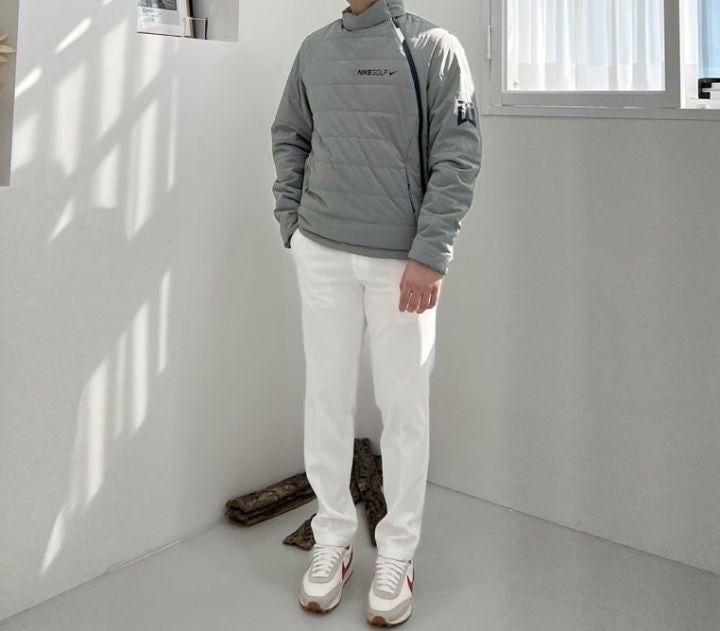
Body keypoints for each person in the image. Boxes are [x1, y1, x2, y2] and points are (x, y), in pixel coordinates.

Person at [271, 0, 482, 625]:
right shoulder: (314, 49)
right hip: (322, 252)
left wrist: (431, 254)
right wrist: (292, 223)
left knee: (404, 409)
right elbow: (289, 135)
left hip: (401, 264)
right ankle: (332, 538)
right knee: (326, 401)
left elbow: (458, 155)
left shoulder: (435, 48)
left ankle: (398, 553)